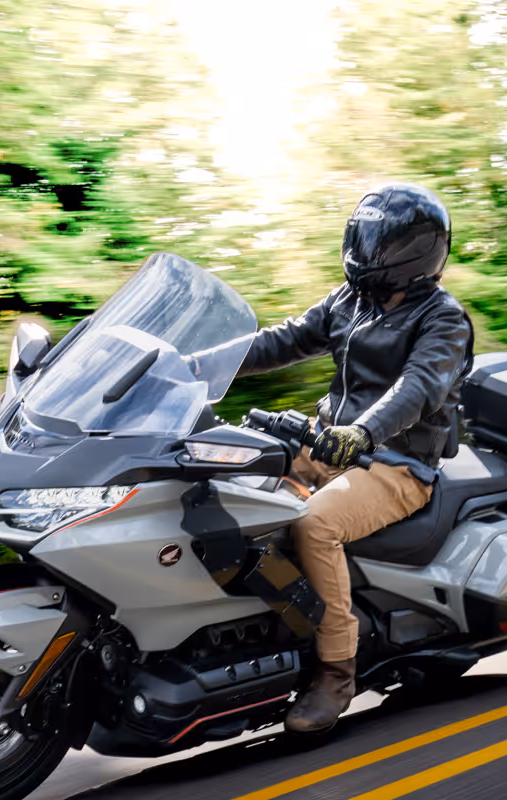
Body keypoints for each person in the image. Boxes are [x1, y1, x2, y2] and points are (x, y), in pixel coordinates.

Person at [188, 183, 474, 733]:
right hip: (325, 442)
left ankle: (336, 669)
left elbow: (418, 387)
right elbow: (281, 341)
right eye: (364, 238)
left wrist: (364, 433)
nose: (366, 251)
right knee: (220, 479)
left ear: (414, 253)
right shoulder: (350, 300)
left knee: (314, 524)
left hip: (396, 462)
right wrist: (192, 367)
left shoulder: (444, 318)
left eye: (380, 243)